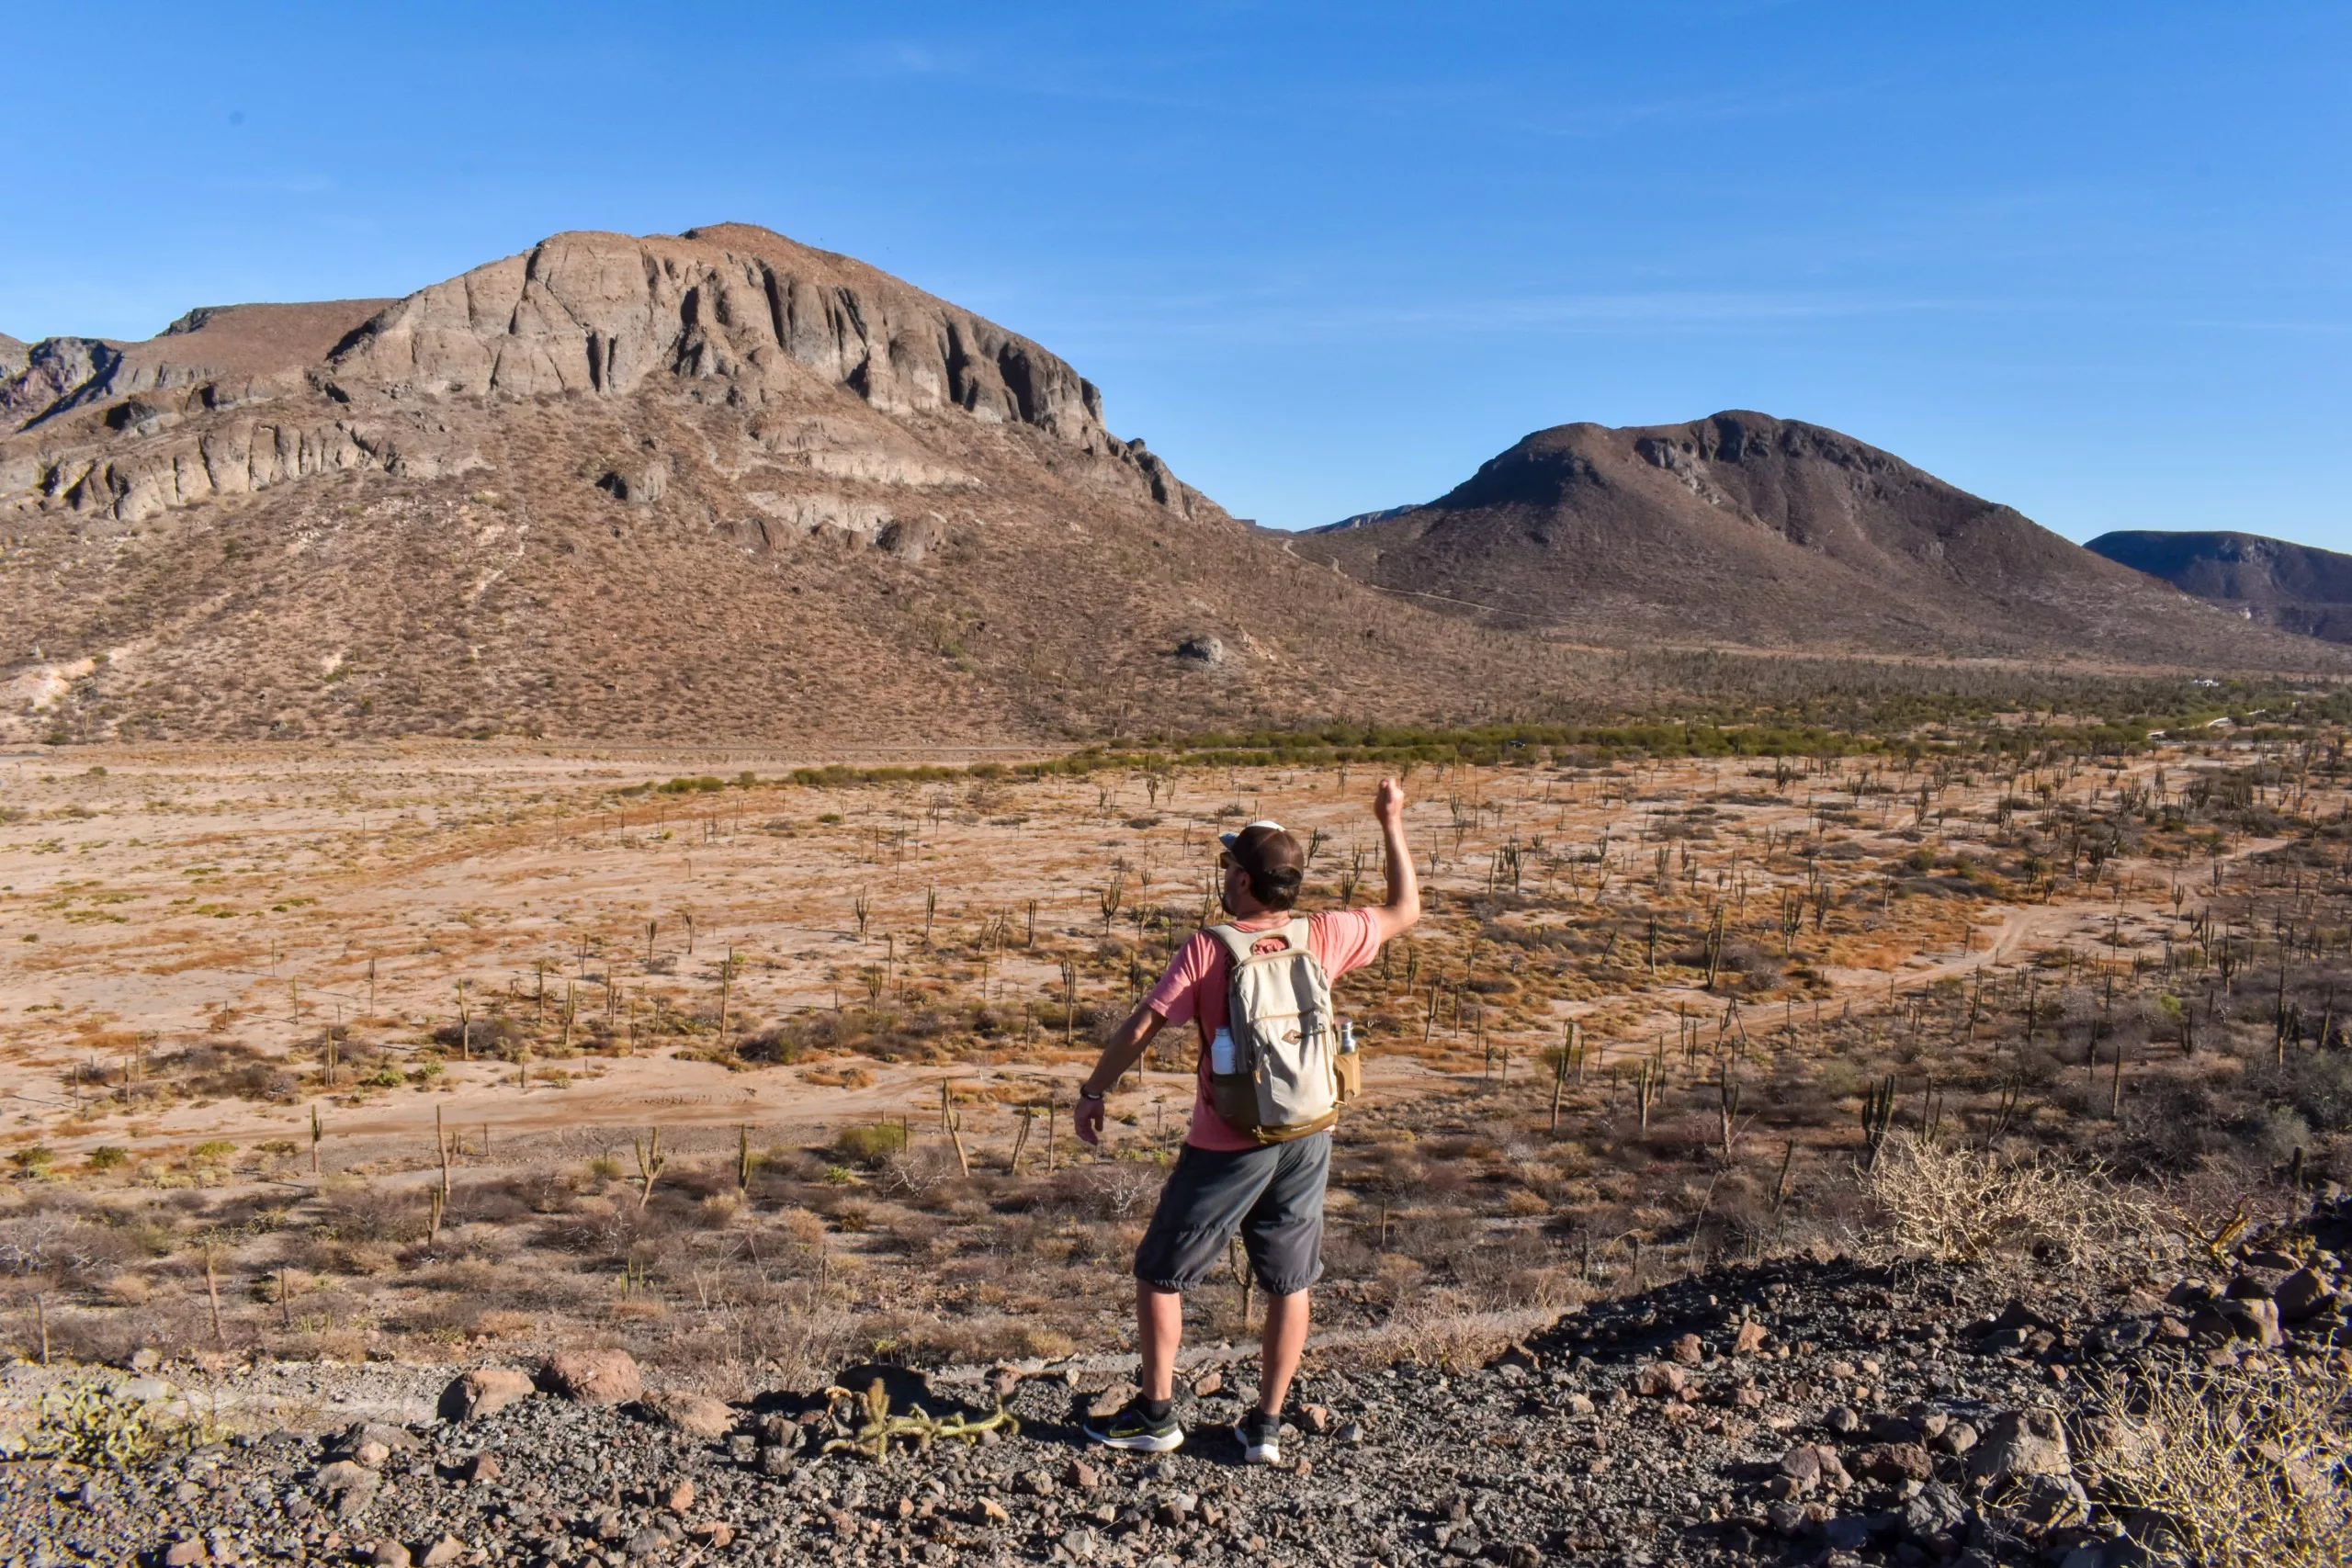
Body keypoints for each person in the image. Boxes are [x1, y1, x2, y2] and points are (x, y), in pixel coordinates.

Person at [1073, 776, 1420, 1462]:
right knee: (1290, 1280)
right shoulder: (1325, 934)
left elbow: (1146, 1021)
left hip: (1227, 1141)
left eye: (1230, 866)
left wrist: (1094, 1089)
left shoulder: (1212, 947)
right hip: (1308, 1131)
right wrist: (1391, 819)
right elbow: (1405, 906)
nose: (1223, 875)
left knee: (1160, 1271)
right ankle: (1264, 1425)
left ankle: (1157, 1413)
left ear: (1244, 881)